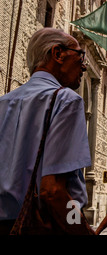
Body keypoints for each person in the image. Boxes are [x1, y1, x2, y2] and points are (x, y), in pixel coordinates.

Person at [0, 28, 93, 235]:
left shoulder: (3, 103)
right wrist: (80, 229)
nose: (84, 66)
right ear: (58, 54)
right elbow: (53, 192)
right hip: (42, 225)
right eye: (80, 55)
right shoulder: (65, 100)